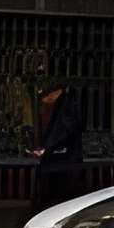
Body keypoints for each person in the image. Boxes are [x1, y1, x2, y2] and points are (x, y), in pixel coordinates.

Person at [31, 81, 87, 210]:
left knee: (59, 198)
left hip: (62, 160)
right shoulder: (66, 103)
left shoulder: (65, 104)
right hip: (66, 158)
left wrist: (47, 149)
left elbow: (62, 132)